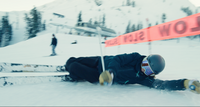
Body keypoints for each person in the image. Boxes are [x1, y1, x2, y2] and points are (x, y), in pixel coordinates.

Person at [63, 52, 200, 94]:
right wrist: (110, 71)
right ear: (145, 59)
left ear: (151, 74)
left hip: (98, 76)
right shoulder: (135, 57)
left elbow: (163, 85)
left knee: (74, 67)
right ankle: (68, 68)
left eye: (147, 70)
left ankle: (74, 75)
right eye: (145, 64)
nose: (143, 69)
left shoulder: (143, 79)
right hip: (102, 63)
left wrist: (185, 83)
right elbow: (118, 59)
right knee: (71, 60)